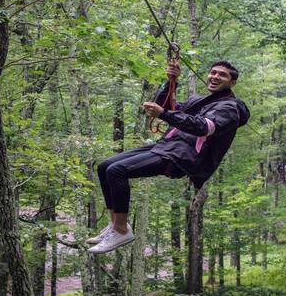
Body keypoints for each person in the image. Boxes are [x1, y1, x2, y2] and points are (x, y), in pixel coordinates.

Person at [87, 60, 250, 254]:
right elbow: (165, 106)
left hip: (182, 158)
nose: (215, 76)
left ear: (232, 83)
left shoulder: (229, 109)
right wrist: (171, 81)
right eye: (213, 72)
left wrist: (164, 113)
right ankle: (116, 225)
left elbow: (203, 127)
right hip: (166, 147)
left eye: (222, 75)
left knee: (117, 170)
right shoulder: (199, 100)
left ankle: (121, 231)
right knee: (104, 166)